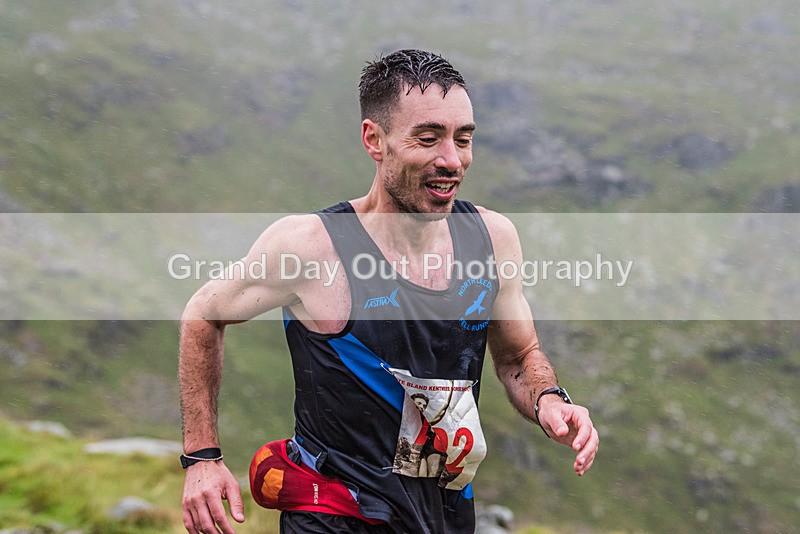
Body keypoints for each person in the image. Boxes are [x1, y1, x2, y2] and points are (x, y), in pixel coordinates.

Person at [179, 48, 599, 534]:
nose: (451, 160)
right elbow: (204, 313)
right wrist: (202, 458)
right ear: (374, 140)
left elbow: (518, 354)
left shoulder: (492, 238)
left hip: (442, 515)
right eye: (428, 138)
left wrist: (550, 399)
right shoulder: (312, 248)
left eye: (463, 139)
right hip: (334, 515)